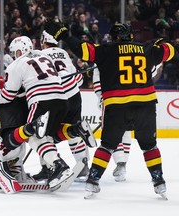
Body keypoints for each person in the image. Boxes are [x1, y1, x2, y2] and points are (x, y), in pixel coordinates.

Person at [44, 20, 175, 198]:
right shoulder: (146, 49)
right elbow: (170, 51)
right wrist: (160, 42)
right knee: (150, 146)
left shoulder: (106, 50)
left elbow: (83, 50)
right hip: (145, 106)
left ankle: (92, 181)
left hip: (116, 106)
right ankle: (159, 182)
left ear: (114, 37)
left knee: (106, 146)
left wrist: (65, 35)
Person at [0, 36, 95, 189]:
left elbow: (8, 95)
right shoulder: (44, 56)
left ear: (19, 51)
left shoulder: (16, 65)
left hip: (41, 100)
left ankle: (58, 166)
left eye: (15, 52)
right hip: (62, 98)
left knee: (32, 134)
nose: (15, 55)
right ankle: (75, 130)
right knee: (49, 136)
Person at [32, 30, 96, 182]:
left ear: (43, 41)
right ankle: (83, 166)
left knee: (44, 134)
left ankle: (49, 167)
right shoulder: (63, 53)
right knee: (72, 129)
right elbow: (78, 79)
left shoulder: (39, 56)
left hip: (55, 97)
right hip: (74, 96)